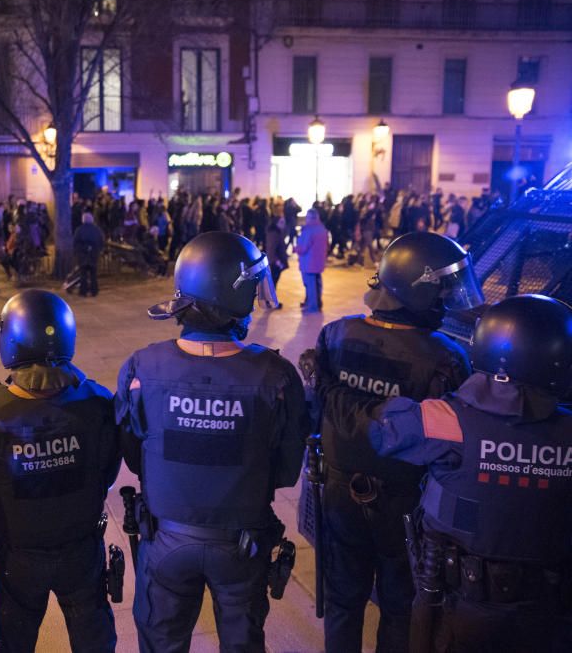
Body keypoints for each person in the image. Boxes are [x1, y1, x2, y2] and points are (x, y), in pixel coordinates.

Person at [321, 294, 572, 653]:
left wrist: (330, 389)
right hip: (550, 612)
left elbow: (380, 431)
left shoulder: (448, 420)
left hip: (458, 603)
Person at [115, 231, 307, 653]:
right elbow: (286, 470)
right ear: (233, 296)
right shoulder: (275, 376)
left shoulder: (141, 367)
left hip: (164, 538)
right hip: (241, 543)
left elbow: (133, 455)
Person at [309, 231, 480, 653]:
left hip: (337, 494)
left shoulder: (335, 335)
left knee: (343, 601)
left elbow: (315, 414)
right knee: (400, 606)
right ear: (419, 291)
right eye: (441, 288)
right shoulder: (445, 356)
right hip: (407, 502)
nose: (447, 297)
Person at [0, 290, 121, 652]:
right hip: (81, 548)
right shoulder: (98, 401)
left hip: (17, 554)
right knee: (93, 638)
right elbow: (108, 470)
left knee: (13, 640)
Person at [296, 207, 328, 312]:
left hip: (308, 262)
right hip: (319, 261)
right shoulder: (322, 228)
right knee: (317, 283)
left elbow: (303, 248)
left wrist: (296, 248)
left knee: (310, 285)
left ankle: (312, 307)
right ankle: (318, 303)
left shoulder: (308, 230)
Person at [73, 212, 104, 297]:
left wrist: (78, 251)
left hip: (83, 254)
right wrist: (98, 250)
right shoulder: (96, 230)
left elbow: (76, 242)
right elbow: (101, 241)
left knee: (83, 274)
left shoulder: (79, 230)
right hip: (94, 253)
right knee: (93, 273)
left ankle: (83, 291)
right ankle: (94, 290)